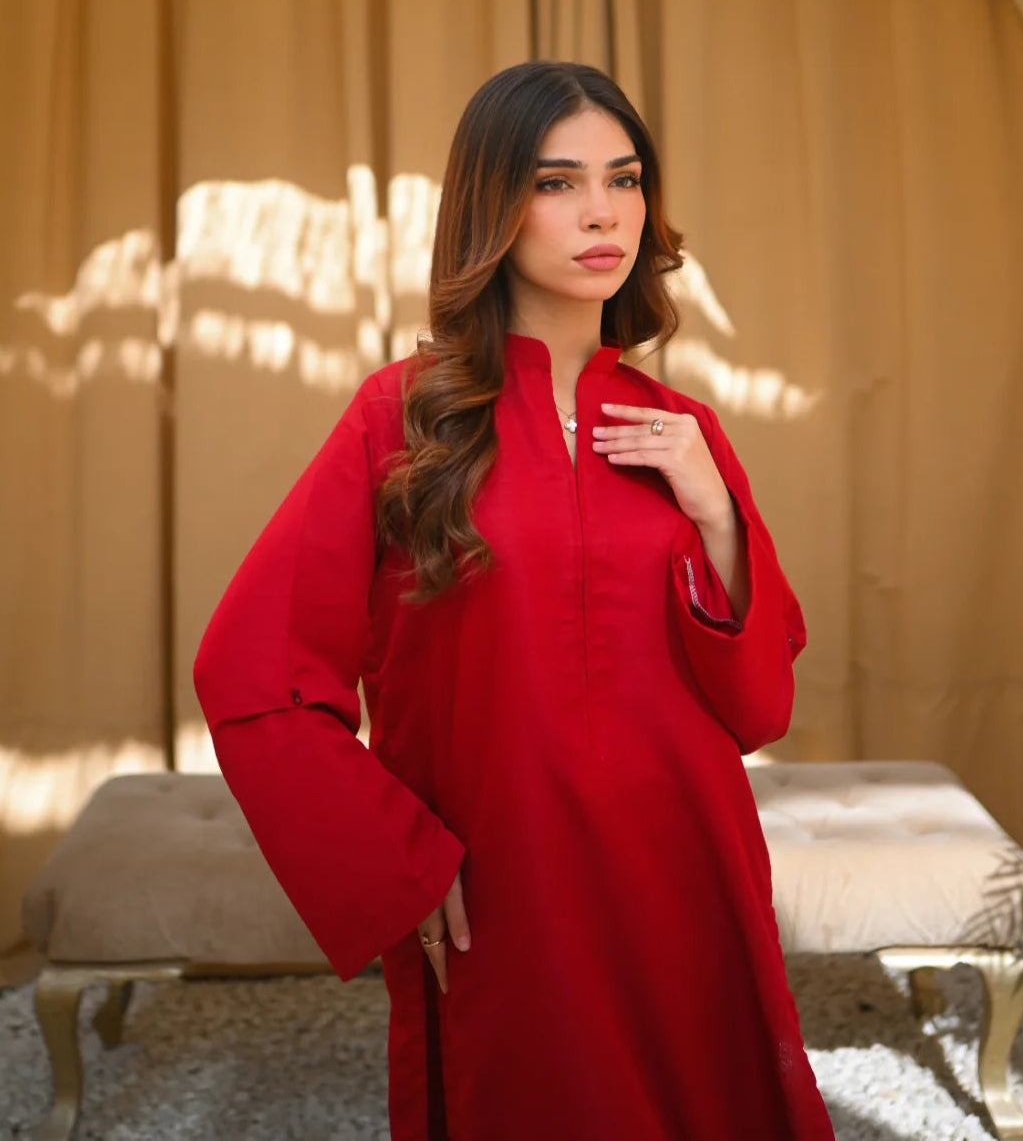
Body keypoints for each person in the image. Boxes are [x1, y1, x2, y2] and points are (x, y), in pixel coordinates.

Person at [194, 60, 834, 1140]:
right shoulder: (403, 420)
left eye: (624, 179)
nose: (602, 212)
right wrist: (397, 860)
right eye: (557, 182)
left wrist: (717, 514)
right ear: (494, 206)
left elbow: (759, 706)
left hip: (689, 871)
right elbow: (253, 673)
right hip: (510, 881)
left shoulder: (682, 432)